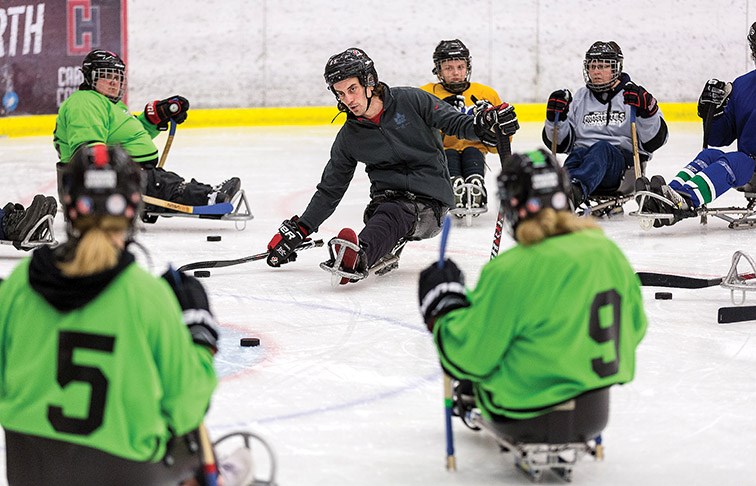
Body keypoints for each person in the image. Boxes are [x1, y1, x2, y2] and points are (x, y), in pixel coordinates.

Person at [0, 144, 222, 484]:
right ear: (131, 207)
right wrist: (201, 339)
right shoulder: (147, 297)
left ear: (69, 204)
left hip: (31, 472)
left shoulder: (18, 287)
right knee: (191, 447)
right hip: (127, 473)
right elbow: (187, 406)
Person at [418, 149, 647, 440]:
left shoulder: (512, 269)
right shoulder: (608, 252)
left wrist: (443, 310)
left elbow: (471, 358)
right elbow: (635, 328)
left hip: (522, 412)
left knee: (473, 382)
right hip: (594, 413)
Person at [266, 47, 519, 285]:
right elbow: (330, 189)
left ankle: (359, 257)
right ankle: (360, 253)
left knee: (396, 213)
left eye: (352, 89)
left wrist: (484, 124)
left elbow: (457, 124)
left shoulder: (412, 100)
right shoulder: (349, 137)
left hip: (431, 202)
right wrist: (300, 229)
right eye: (340, 93)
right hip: (386, 204)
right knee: (389, 214)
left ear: (369, 82)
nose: (348, 100)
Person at [53, 49, 241, 214]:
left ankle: (202, 193)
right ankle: (210, 198)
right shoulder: (85, 102)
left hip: (122, 173)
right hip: (97, 183)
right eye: (106, 76)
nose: (114, 82)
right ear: (90, 77)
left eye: (117, 77)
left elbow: (128, 136)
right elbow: (88, 151)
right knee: (162, 184)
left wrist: (156, 116)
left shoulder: (110, 104)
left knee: (161, 180)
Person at [638, 22, 756, 227]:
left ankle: (686, 199)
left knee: (737, 161)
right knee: (708, 155)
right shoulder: (743, 84)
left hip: (746, 163)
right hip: (750, 164)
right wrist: (712, 112)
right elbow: (720, 137)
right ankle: (666, 197)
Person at [543, 41, 668, 208]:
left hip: (621, 170)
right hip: (586, 161)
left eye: (602, 66)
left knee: (602, 148)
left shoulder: (632, 96)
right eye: (592, 66)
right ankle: (564, 192)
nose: (596, 72)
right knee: (577, 154)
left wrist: (648, 112)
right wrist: (554, 119)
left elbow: (654, 142)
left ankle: (574, 193)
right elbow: (560, 144)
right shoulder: (580, 97)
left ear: (616, 68)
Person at [420, 39, 503, 213]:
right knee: (448, 154)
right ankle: (453, 185)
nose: (455, 73)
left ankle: (475, 184)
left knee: (472, 151)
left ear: (468, 68)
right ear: (439, 70)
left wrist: (492, 130)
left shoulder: (486, 94)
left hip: (475, 151)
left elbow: (499, 144)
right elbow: (418, 135)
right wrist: (442, 113)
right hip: (442, 152)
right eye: (448, 68)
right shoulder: (426, 94)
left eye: (460, 67)